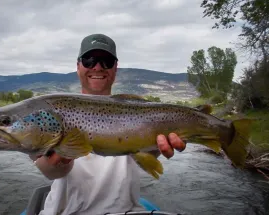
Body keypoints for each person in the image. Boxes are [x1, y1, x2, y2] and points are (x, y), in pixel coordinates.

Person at [31, 33, 186, 215]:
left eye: (106, 61)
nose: (97, 67)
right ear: (78, 65)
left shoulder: (138, 111)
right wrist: (60, 159)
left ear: (115, 68)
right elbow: (50, 172)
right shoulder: (51, 113)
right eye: (89, 60)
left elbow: (145, 162)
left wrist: (156, 148)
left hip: (125, 211)